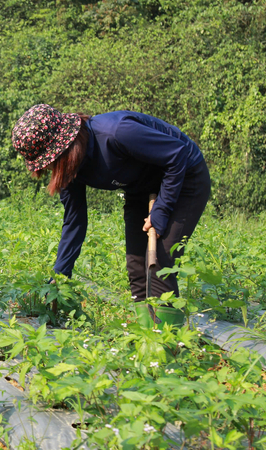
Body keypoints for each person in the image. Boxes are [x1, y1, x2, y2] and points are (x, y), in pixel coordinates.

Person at [11, 104, 211, 325]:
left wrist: (162, 210)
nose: (50, 170)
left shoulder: (117, 132)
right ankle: (148, 336)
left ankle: (169, 344)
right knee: (136, 265)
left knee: (160, 261)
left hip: (183, 176)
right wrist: (60, 277)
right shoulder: (70, 170)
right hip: (140, 187)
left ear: (65, 148)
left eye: (49, 163)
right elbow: (74, 222)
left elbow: (177, 154)